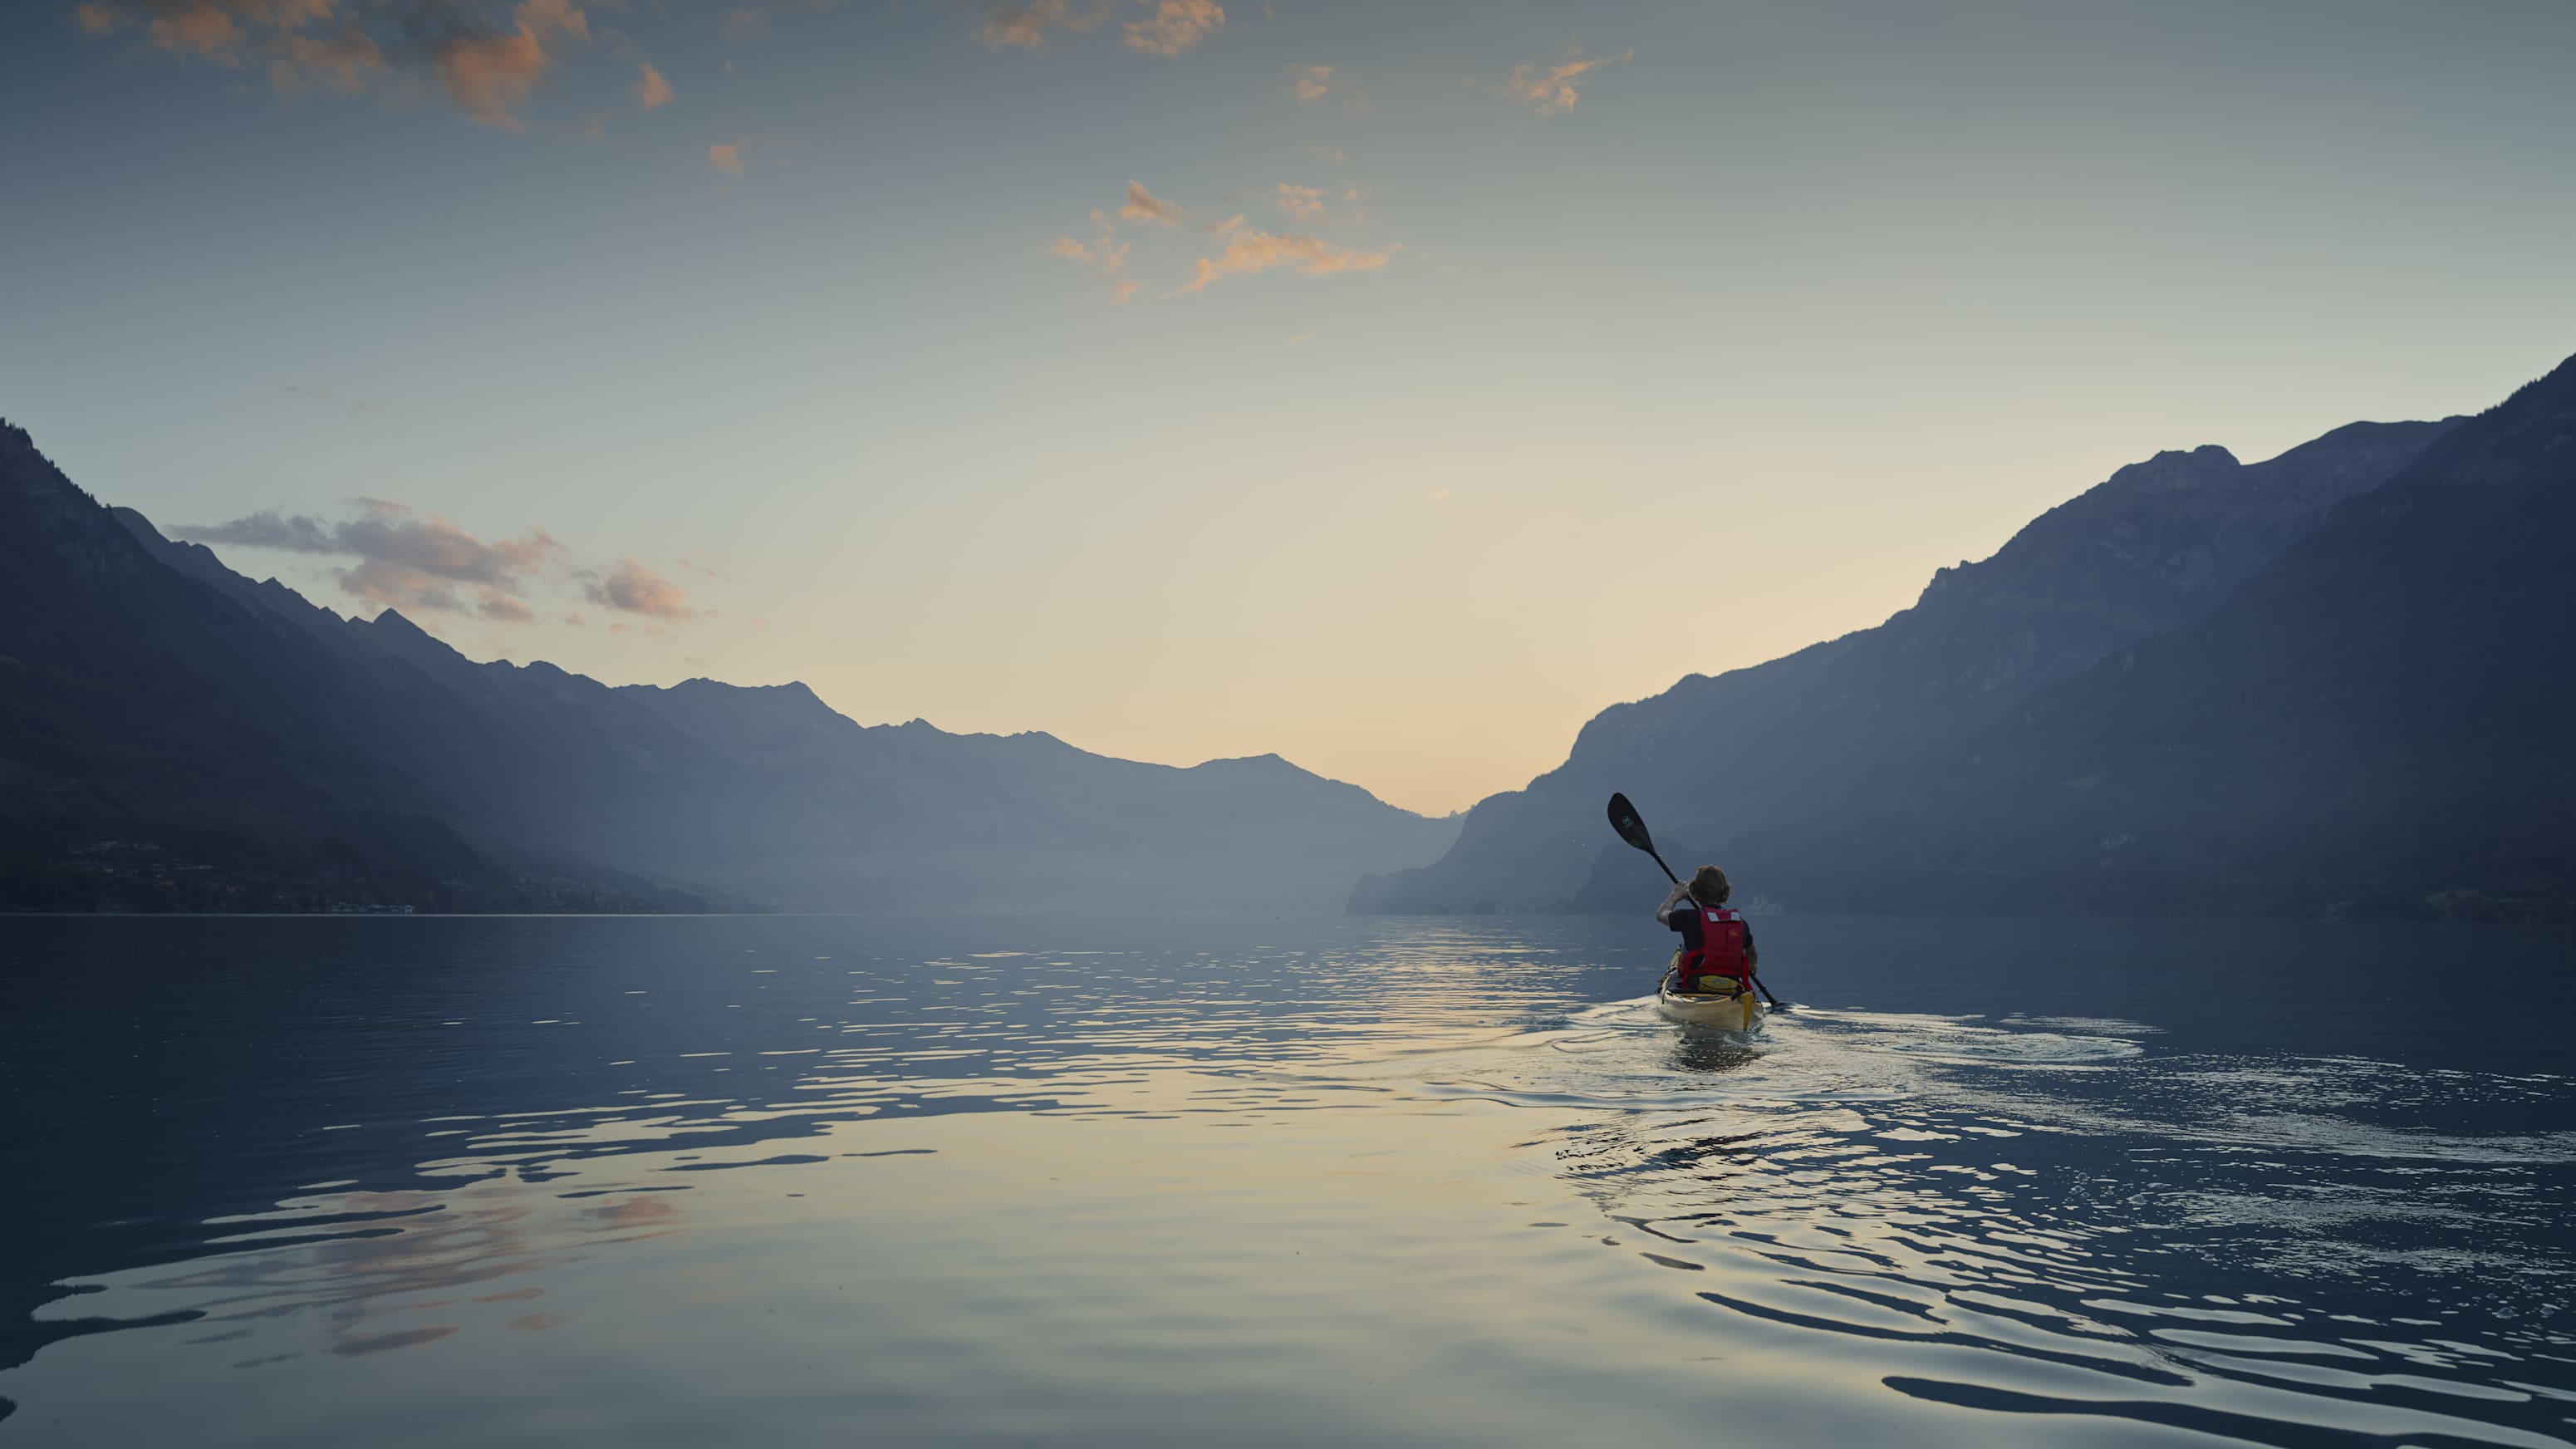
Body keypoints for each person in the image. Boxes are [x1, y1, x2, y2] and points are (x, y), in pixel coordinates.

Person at [1658, 865, 1758, 995]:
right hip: (1731, 986)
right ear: (1725, 891)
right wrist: (1751, 966)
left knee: (1671, 979)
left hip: (1696, 985)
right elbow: (1752, 955)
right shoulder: (1739, 922)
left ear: (1694, 891)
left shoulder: (1688, 917)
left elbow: (1661, 914)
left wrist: (1675, 896)